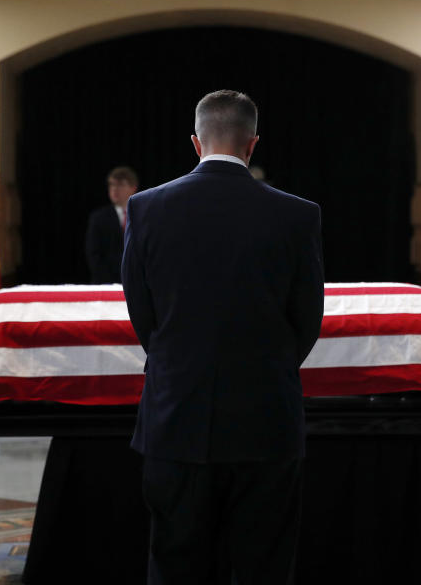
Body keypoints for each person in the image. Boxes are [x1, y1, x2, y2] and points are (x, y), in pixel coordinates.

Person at [121, 90, 324, 584]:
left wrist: (179, 360)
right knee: (265, 567)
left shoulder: (145, 209)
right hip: (266, 421)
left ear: (196, 142)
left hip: (176, 417)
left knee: (175, 564)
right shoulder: (298, 215)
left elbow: (142, 313)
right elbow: (308, 320)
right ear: (252, 144)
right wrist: (266, 364)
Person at [85, 166, 138, 283]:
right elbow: (94, 255)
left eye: (120, 185)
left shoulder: (142, 216)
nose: (114, 189)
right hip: (106, 284)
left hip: (137, 283)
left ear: (133, 188)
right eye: (112, 184)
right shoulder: (98, 218)